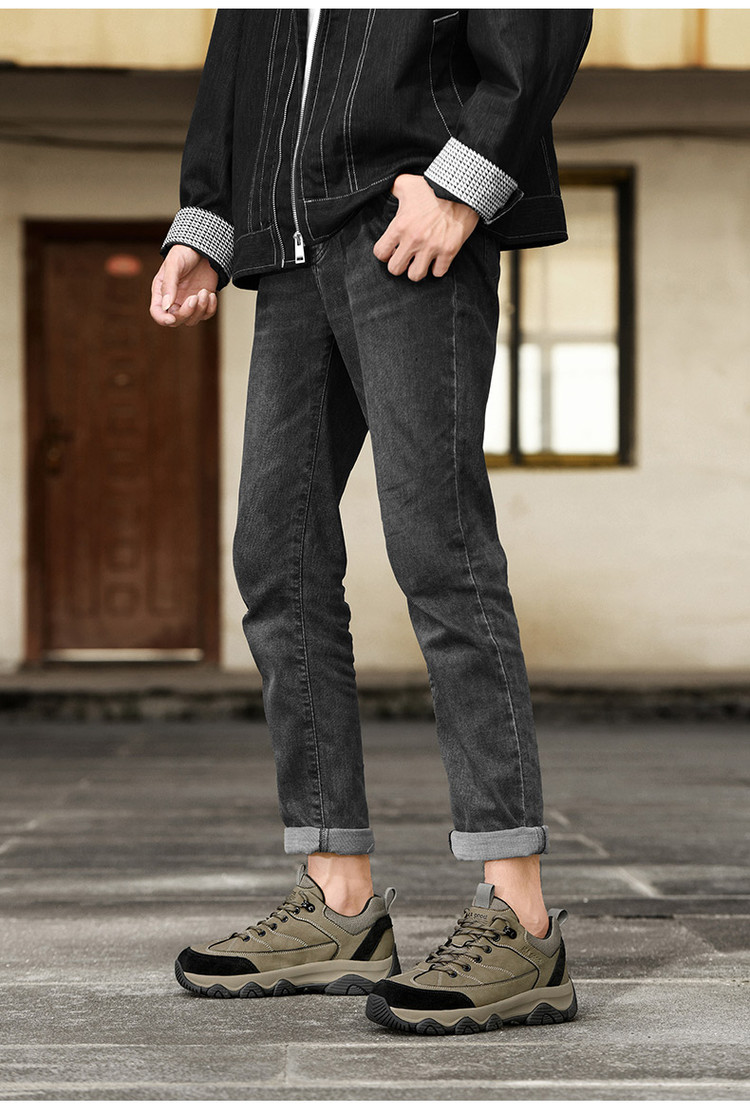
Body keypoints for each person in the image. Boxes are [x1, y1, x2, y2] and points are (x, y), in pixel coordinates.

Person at [150, 8, 592, 1036]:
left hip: (408, 209)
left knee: (439, 547)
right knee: (277, 555)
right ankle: (339, 899)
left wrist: (465, 181)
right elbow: (243, 47)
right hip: (291, 238)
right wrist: (207, 219)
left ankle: (520, 916)